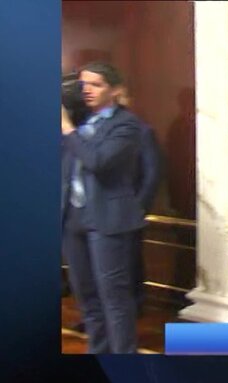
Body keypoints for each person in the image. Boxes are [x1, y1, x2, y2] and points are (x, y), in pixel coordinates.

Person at [61, 61, 145, 353]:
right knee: (87, 297)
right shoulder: (81, 122)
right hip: (73, 218)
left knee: (114, 298)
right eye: (83, 84)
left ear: (115, 90)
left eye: (96, 85)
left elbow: (98, 161)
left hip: (107, 220)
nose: (87, 90)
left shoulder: (126, 124)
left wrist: (67, 129)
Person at [117, 86, 162, 316]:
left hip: (128, 210)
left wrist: (139, 208)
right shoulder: (89, 129)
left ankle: (132, 309)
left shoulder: (142, 131)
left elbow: (152, 173)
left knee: (129, 262)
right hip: (95, 211)